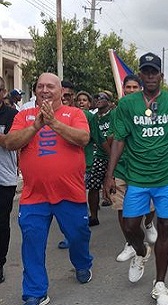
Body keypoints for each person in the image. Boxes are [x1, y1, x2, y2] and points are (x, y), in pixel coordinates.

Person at [103, 53, 168, 305]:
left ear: (162, 75)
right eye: (146, 71)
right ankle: (141, 252)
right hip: (137, 178)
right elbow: (119, 139)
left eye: (154, 72)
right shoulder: (128, 104)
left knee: (165, 228)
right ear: (140, 75)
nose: (150, 76)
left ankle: (160, 283)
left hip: (167, 179)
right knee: (130, 227)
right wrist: (110, 175)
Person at [5, 72, 93, 305]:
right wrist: (35, 126)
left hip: (69, 193)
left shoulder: (75, 113)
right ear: (35, 90)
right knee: (32, 241)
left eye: (50, 86)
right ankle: (35, 291)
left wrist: (53, 123)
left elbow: (83, 138)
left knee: (78, 235)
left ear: (60, 91)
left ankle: (82, 262)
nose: (44, 90)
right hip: (34, 195)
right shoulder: (24, 116)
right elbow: (10, 143)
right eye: (40, 86)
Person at [107, 74, 157, 262]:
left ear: (141, 89)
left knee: (148, 207)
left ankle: (150, 223)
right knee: (121, 208)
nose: (131, 91)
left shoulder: (149, 110)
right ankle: (131, 243)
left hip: (143, 168)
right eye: (128, 87)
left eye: (135, 87)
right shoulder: (116, 112)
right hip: (121, 167)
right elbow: (112, 140)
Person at [0, 77, 18, 284]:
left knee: (1, 223)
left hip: (4, 179)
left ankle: (0, 263)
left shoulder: (12, 114)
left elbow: (12, 143)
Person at [86, 92, 113, 226]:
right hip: (98, 155)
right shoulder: (93, 117)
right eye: (96, 97)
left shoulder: (113, 115)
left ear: (109, 101)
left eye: (102, 98)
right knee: (93, 185)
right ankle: (94, 215)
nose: (98, 100)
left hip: (115, 155)